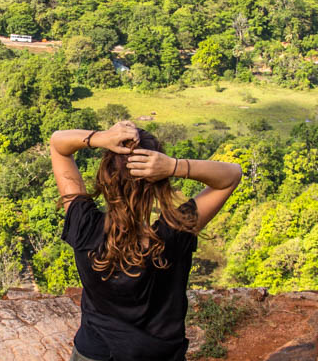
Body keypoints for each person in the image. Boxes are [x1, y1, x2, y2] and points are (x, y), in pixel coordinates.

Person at [50, 120, 243, 361]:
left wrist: (101, 138)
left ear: (106, 177)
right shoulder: (174, 234)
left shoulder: (85, 226)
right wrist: (174, 166)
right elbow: (232, 175)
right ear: (158, 183)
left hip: (95, 353)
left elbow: (58, 144)